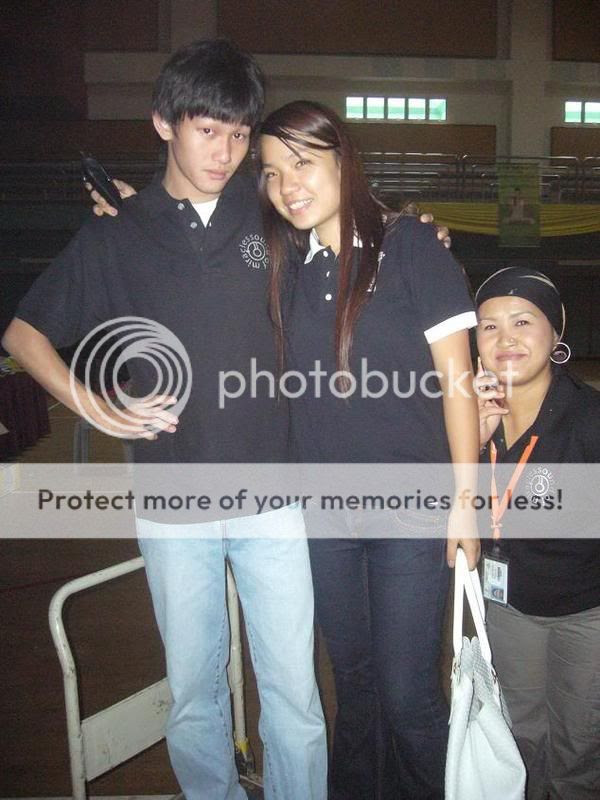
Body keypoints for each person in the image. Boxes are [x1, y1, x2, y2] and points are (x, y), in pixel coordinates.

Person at [2, 40, 328, 800]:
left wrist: (423, 227)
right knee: (193, 693)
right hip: (173, 502)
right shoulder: (118, 229)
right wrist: (95, 407)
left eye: (239, 134)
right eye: (206, 130)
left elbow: (353, 226)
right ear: (163, 123)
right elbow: (23, 334)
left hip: (275, 497)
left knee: (295, 694)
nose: (225, 152)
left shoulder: (272, 209)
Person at [256, 100, 481, 800]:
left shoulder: (410, 246)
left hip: (410, 515)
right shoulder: (287, 264)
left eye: (302, 161)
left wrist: (466, 502)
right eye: (271, 171)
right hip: (323, 519)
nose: (286, 183)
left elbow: (458, 382)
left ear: (342, 158)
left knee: (408, 693)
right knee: (352, 687)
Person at [474, 266, 600, 800]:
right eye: (490, 326)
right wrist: (468, 445)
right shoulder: (465, 418)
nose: (506, 339)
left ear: (556, 331)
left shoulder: (589, 419)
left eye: (523, 321)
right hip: (508, 608)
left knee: (579, 747)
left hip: (586, 615)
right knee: (521, 738)